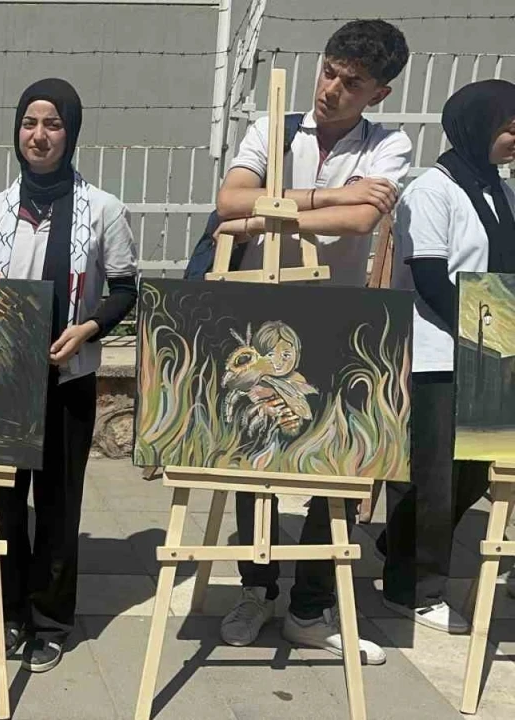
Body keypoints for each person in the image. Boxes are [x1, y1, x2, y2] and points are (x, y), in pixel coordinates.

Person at [213, 20, 412, 663]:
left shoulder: (389, 143)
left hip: (337, 321)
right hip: (258, 312)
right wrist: (327, 194)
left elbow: (362, 218)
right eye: (329, 71)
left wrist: (271, 210)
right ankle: (256, 587)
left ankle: (310, 605)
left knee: (339, 465)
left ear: (378, 93)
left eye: (351, 83)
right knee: (252, 456)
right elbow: (229, 202)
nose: (331, 89)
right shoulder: (274, 127)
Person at [0, 78, 138, 673]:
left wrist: (89, 328)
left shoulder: (103, 208)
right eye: (29, 123)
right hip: (4, 382)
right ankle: (7, 610)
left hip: (68, 379)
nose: (39, 135)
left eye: (52, 124)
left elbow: (125, 289)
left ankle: (49, 620)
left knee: (58, 504)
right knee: (3, 502)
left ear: (71, 133)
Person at [380, 79, 515, 630]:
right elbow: (431, 279)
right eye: (509, 128)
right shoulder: (431, 192)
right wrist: (488, 326)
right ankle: (412, 588)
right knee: (431, 478)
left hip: (490, 353)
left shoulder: (501, 192)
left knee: (474, 475)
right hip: (437, 352)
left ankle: (399, 545)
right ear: (477, 126)